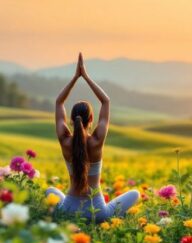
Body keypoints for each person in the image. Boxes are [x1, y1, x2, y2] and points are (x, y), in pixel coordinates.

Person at [45, 52, 139, 223]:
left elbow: (59, 102)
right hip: (98, 213)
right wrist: (86, 77)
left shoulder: (65, 140)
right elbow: (106, 101)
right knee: (135, 193)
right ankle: (111, 221)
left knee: (50, 190)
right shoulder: (96, 141)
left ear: (71, 120)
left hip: (68, 211)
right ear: (91, 120)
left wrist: (75, 77)